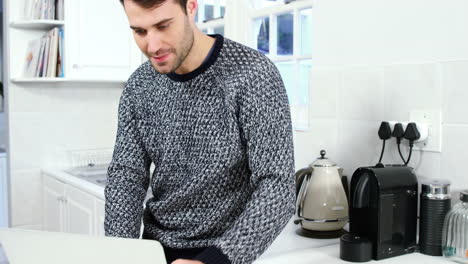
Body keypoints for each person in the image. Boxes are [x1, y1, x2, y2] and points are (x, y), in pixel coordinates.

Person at [104, 0, 295, 263]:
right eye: (140, 31)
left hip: (225, 253)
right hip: (155, 249)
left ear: (191, 7)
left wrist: (214, 260)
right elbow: (126, 177)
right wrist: (120, 253)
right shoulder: (139, 86)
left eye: (163, 25)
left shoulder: (253, 75)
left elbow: (277, 185)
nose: (153, 45)